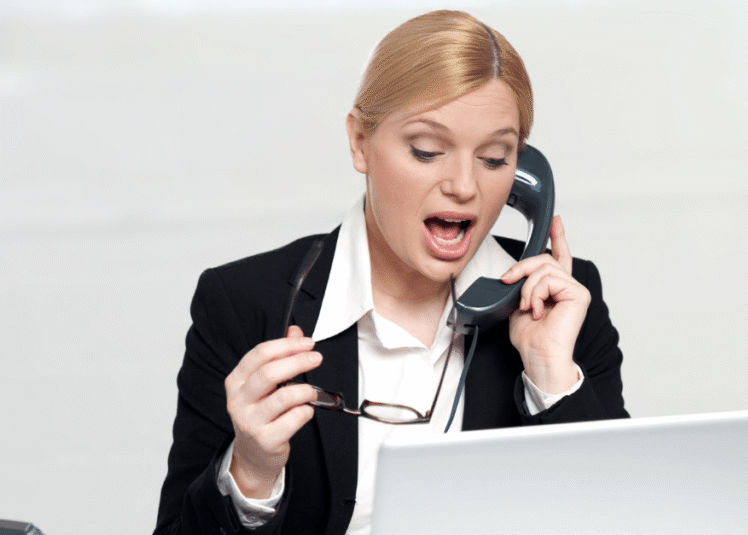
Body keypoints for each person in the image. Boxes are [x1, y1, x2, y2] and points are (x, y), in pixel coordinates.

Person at [153, 10, 627, 535]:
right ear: (360, 142)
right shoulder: (245, 302)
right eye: (427, 151)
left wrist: (552, 378)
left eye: (495, 158)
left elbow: (628, 519)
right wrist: (250, 474)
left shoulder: (563, 305)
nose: (464, 186)